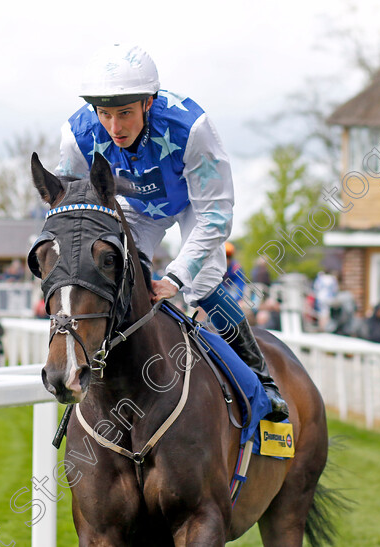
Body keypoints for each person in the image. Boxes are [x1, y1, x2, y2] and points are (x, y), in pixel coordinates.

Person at [55, 44, 287, 421]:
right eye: (105, 114)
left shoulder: (192, 128)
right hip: (133, 206)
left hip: (194, 203)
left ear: (148, 103)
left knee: (204, 284)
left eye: (125, 113)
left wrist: (177, 277)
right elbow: (71, 205)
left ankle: (261, 378)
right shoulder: (75, 135)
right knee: (114, 273)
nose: (114, 128)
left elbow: (215, 214)